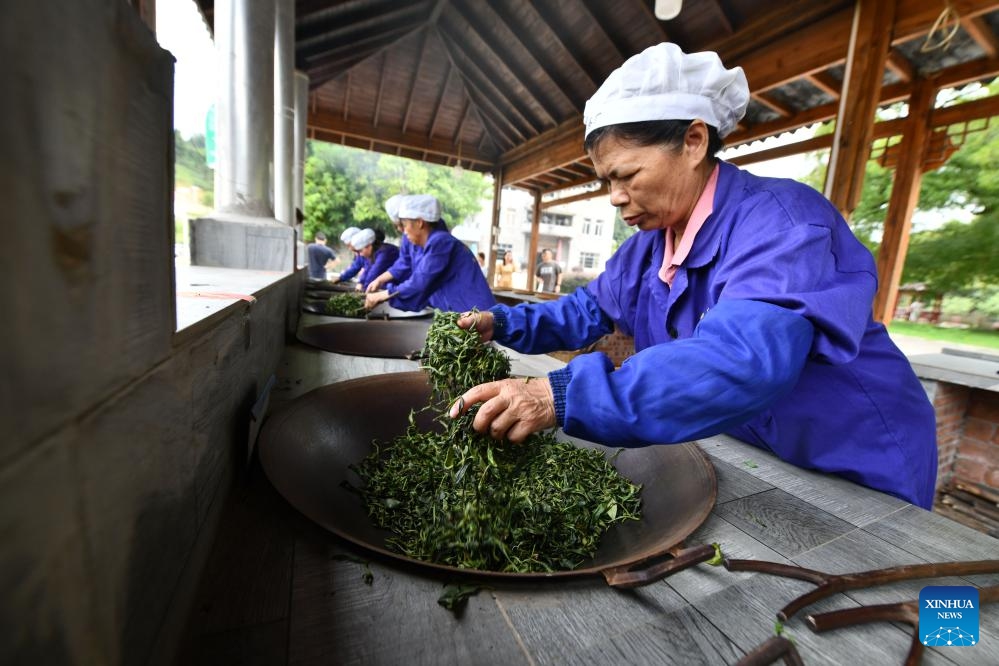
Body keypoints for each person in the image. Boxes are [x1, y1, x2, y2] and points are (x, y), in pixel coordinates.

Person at [448, 43, 937, 509]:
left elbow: (742, 360)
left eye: (627, 174)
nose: (615, 197)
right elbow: (586, 309)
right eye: (607, 181)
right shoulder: (647, 246)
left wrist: (558, 394)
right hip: (758, 446)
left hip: (851, 452)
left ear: (694, 141)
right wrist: (502, 324)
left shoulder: (782, 223)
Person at [365, 194, 495, 313]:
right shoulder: (433, 240)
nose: (403, 232)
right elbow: (411, 271)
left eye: (404, 225)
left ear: (420, 222)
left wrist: (384, 295)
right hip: (460, 310)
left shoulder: (440, 242)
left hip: (475, 311)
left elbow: (419, 282)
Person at [350, 227, 400, 292]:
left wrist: (365, 289)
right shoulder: (373, 254)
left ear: (369, 246)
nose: (361, 255)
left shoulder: (386, 252)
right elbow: (367, 268)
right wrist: (361, 282)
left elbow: (374, 272)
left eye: (360, 251)